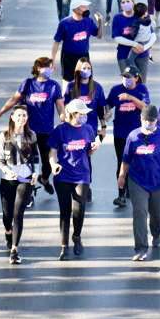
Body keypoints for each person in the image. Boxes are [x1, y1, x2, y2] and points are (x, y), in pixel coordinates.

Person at [0, 57, 62, 195]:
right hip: (27, 131)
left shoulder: (54, 86)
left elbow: (60, 107)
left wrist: (64, 120)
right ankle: (27, 191)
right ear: (37, 68)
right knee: (28, 161)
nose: (48, 70)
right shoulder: (28, 84)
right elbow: (14, 100)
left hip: (46, 130)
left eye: (50, 67)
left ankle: (44, 179)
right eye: (45, 67)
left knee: (47, 162)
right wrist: (0, 113)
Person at [120, 105, 160, 261]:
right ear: (141, 119)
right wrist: (122, 176)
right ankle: (140, 248)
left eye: (151, 121)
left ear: (156, 120)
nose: (149, 123)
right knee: (139, 212)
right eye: (146, 120)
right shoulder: (133, 136)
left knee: (157, 215)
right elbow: (126, 159)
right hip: (137, 180)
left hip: (158, 181)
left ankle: (156, 233)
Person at [49, 99, 101, 260]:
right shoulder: (60, 130)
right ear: (72, 114)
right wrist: (53, 164)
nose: (84, 116)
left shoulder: (88, 129)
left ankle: (77, 236)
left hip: (82, 175)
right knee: (65, 212)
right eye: (81, 113)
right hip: (63, 175)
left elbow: (88, 151)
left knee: (79, 209)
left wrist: (95, 148)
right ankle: (64, 246)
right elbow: (52, 151)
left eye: (85, 114)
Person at [0, 106, 40, 264]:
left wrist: (36, 173)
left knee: (18, 214)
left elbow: (36, 157)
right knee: (7, 215)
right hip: (7, 179)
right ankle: (8, 231)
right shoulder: (5, 136)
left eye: (25, 115)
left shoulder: (31, 135)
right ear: (12, 117)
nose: (22, 118)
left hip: (25, 179)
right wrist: (7, 171)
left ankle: (14, 249)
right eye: (19, 115)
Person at [107, 67, 151, 208]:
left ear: (136, 78)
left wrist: (130, 98)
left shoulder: (142, 89)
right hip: (120, 133)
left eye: (129, 76)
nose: (126, 79)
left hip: (137, 134)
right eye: (124, 76)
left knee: (137, 161)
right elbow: (108, 104)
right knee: (122, 162)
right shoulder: (116, 89)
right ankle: (121, 193)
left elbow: (146, 107)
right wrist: (106, 112)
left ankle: (135, 189)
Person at [50, 0, 102, 81]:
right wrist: (52, 59)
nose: (87, 9)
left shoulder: (89, 21)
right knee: (67, 80)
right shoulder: (64, 23)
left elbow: (99, 36)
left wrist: (100, 22)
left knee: (85, 79)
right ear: (76, 9)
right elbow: (56, 42)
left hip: (84, 56)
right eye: (84, 7)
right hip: (68, 57)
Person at [64, 59, 108, 145]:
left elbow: (100, 110)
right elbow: (66, 107)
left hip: (91, 129)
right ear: (78, 70)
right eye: (84, 68)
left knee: (86, 155)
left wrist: (103, 127)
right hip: (74, 128)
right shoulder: (71, 86)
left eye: (89, 68)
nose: (87, 70)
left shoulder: (97, 87)